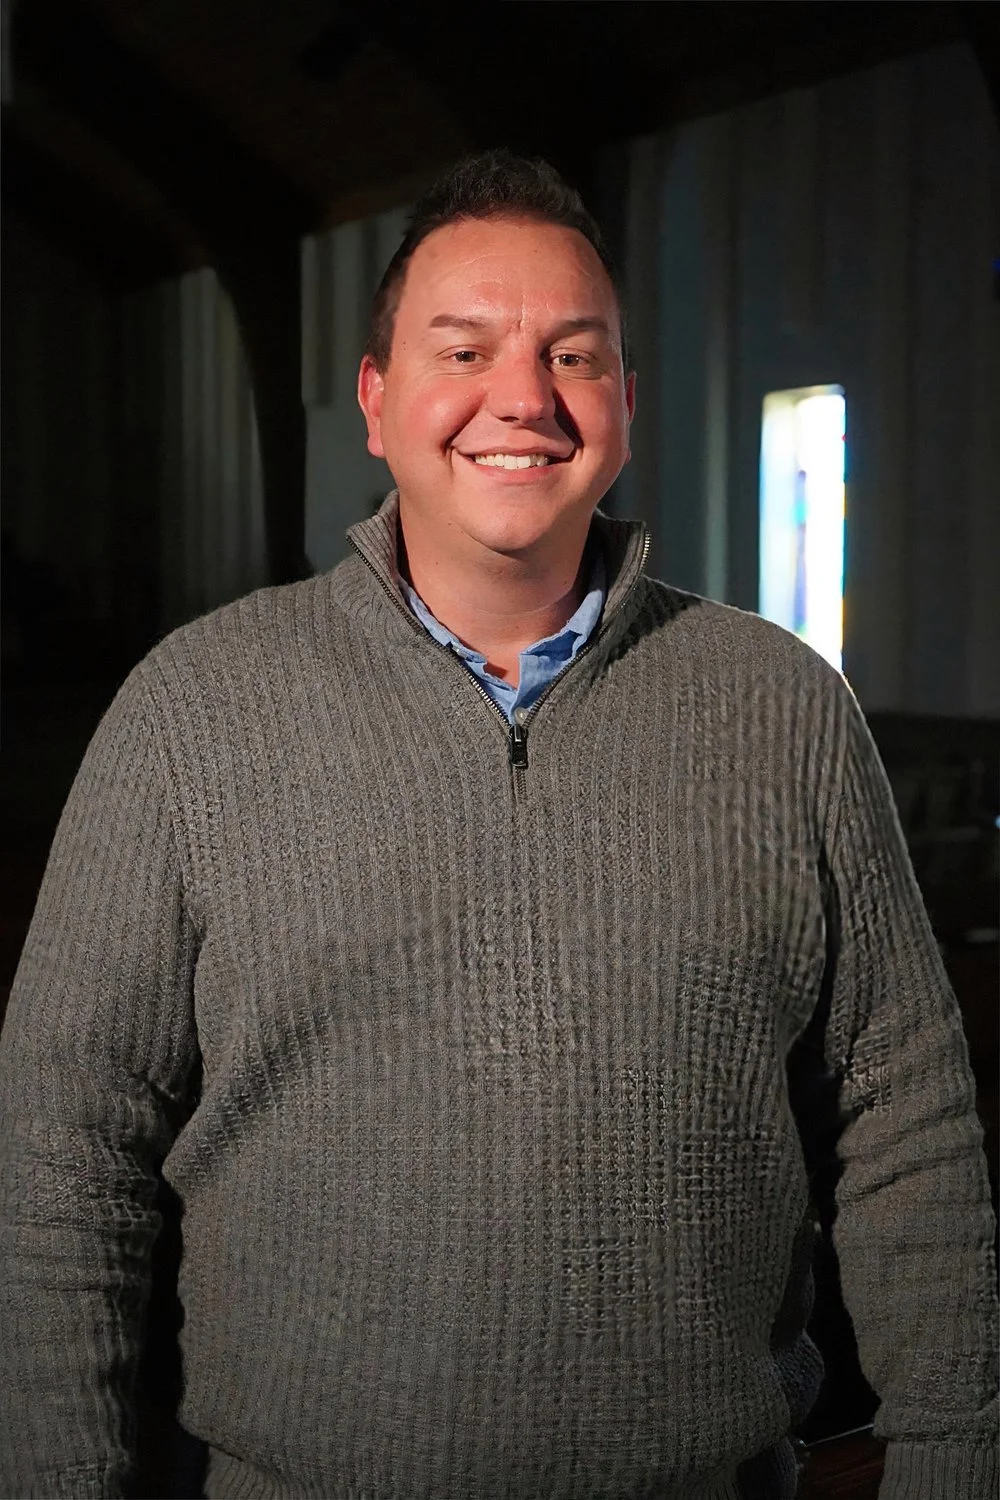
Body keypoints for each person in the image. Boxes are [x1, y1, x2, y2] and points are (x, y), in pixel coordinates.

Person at [1, 149, 996, 1500]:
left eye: (574, 357)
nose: (521, 399)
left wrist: (953, 1457)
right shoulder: (194, 713)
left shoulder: (786, 711)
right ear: (376, 398)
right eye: (461, 348)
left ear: (627, 407)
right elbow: (62, 1137)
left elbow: (909, 1119)